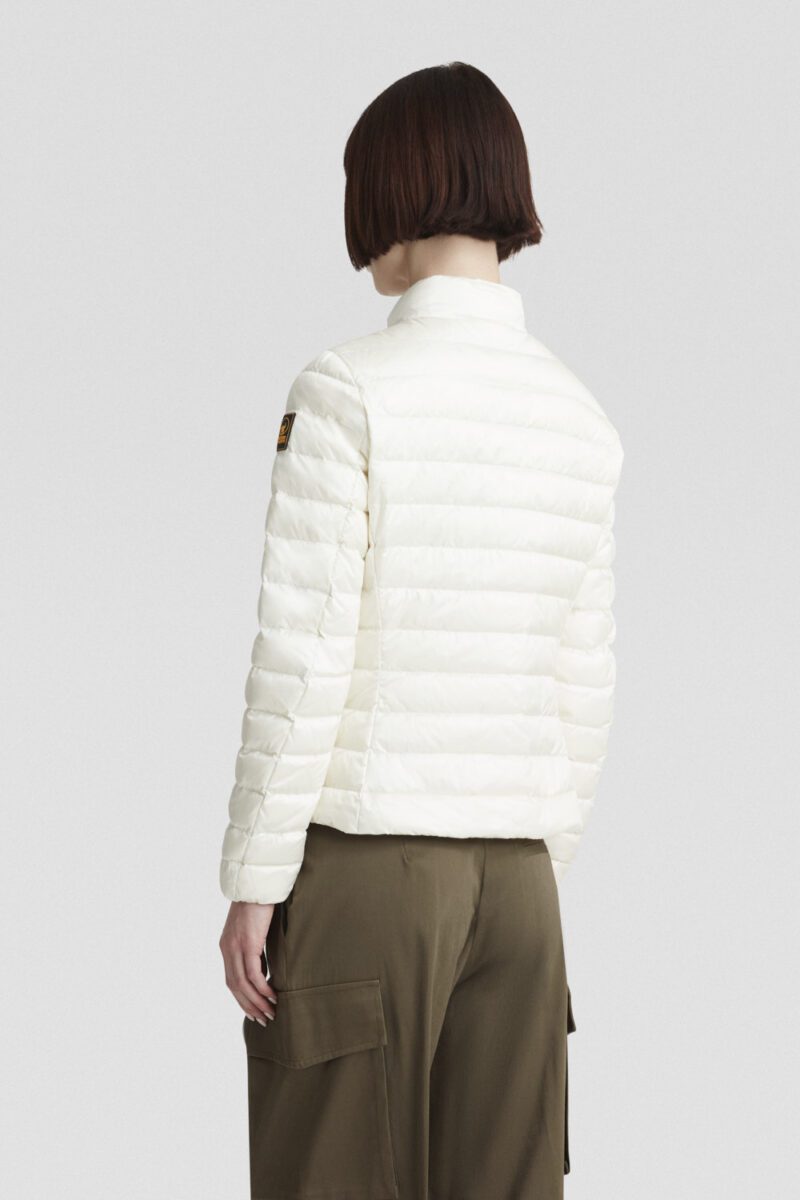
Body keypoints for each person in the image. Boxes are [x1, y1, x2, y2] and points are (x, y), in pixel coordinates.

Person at [218, 61, 623, 1200]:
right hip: (524, 892)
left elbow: (304, 652)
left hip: (369, 875)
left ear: (391, 192)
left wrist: (255, 875)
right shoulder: (578, 416)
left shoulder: (346, 391)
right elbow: (582, 679)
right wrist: (534, 859)